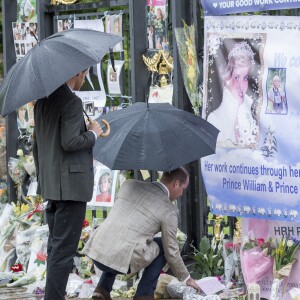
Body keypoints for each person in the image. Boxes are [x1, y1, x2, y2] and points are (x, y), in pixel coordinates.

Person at [33, 69, 103, 300]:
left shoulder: (43, 102)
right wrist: (92, 133)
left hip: (52, 186)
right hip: (71, 188)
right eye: (85, 74)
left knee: (56, 248)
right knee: (62, 252)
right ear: (78, 72)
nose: (84, 79)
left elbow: (38, 145)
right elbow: (71, 141)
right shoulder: (71, 102)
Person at [83, 167, 201, 300]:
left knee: (121, 237)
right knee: (163, 245)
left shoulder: (129, 185)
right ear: (176, 183)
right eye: (183, 189)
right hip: (122, 261)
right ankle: (143, 294)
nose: (181, 194)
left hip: (97, 252)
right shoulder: (169, 209)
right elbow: (171, 250)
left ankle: (102, 289)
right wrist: (187, 278)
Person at [207, 41, 258, 148]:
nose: (241, 86)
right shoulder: (215, 119)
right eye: (237, 77)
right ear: (228, 78)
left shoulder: (251, 116)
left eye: (245, 78)